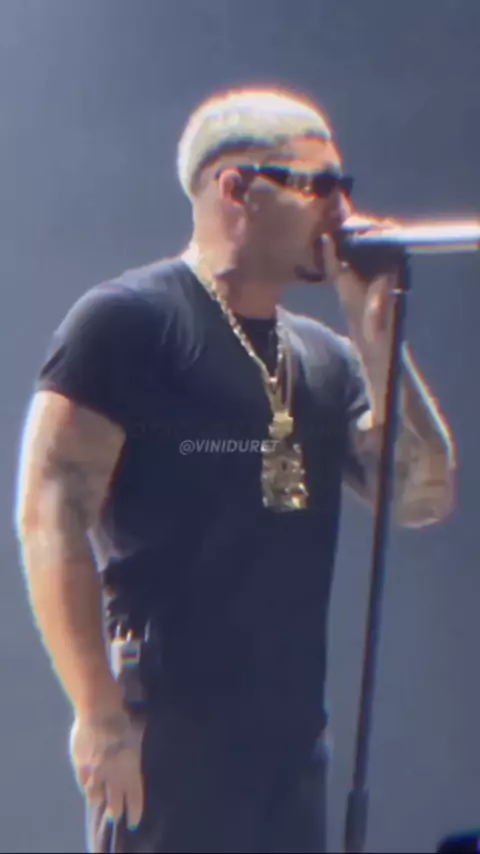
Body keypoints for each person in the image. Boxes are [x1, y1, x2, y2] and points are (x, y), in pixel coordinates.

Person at [14, 87, 456, 854]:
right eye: (319, 185)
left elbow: (421, 496)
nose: (342, 210)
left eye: (345, 186)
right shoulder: (130, 322)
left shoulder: (325, 357)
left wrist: (379, 340)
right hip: (166, 736)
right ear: (236, 187)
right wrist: (99, 713)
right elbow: (51, 513)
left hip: (290, 746)